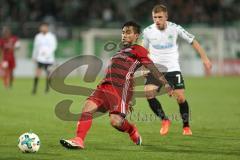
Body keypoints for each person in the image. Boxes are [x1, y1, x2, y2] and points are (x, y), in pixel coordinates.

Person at [60, 21, 174, 149]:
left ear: (136, 35)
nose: (124, 35)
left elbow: (151, 67)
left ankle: (131, 130)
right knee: (87, 109)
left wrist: (166, 84)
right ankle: (79, 140)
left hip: (119, 90)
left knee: (115, 122)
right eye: (123, 32)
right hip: (104, 86)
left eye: (128, 32)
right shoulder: (120, 51)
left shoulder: (139, 50)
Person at [142, 4, 212, 136]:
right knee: (148, 93)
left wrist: (205, 58)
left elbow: (193, 41)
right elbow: (142, 51)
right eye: (155, 17)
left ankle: (186, 127)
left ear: (166, 17)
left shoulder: (175, 28)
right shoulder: (148, 31)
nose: (157, 20)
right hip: (156, 69)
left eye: (160, 17)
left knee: (180, 98)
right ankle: (164, 120)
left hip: (173, 69)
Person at [31, 22, 57, 94]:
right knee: (37, 72)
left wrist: (47, 53)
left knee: (48, 73)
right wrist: (34, 56)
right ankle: (34, 89)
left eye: (43, 27)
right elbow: (35, 47)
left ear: (47, 28)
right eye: (41, 27)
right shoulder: (38, 36)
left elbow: (54, 47)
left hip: (49, 58)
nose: (42, 28)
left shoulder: (51, 36)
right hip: (40, 58)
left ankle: (47, 89)